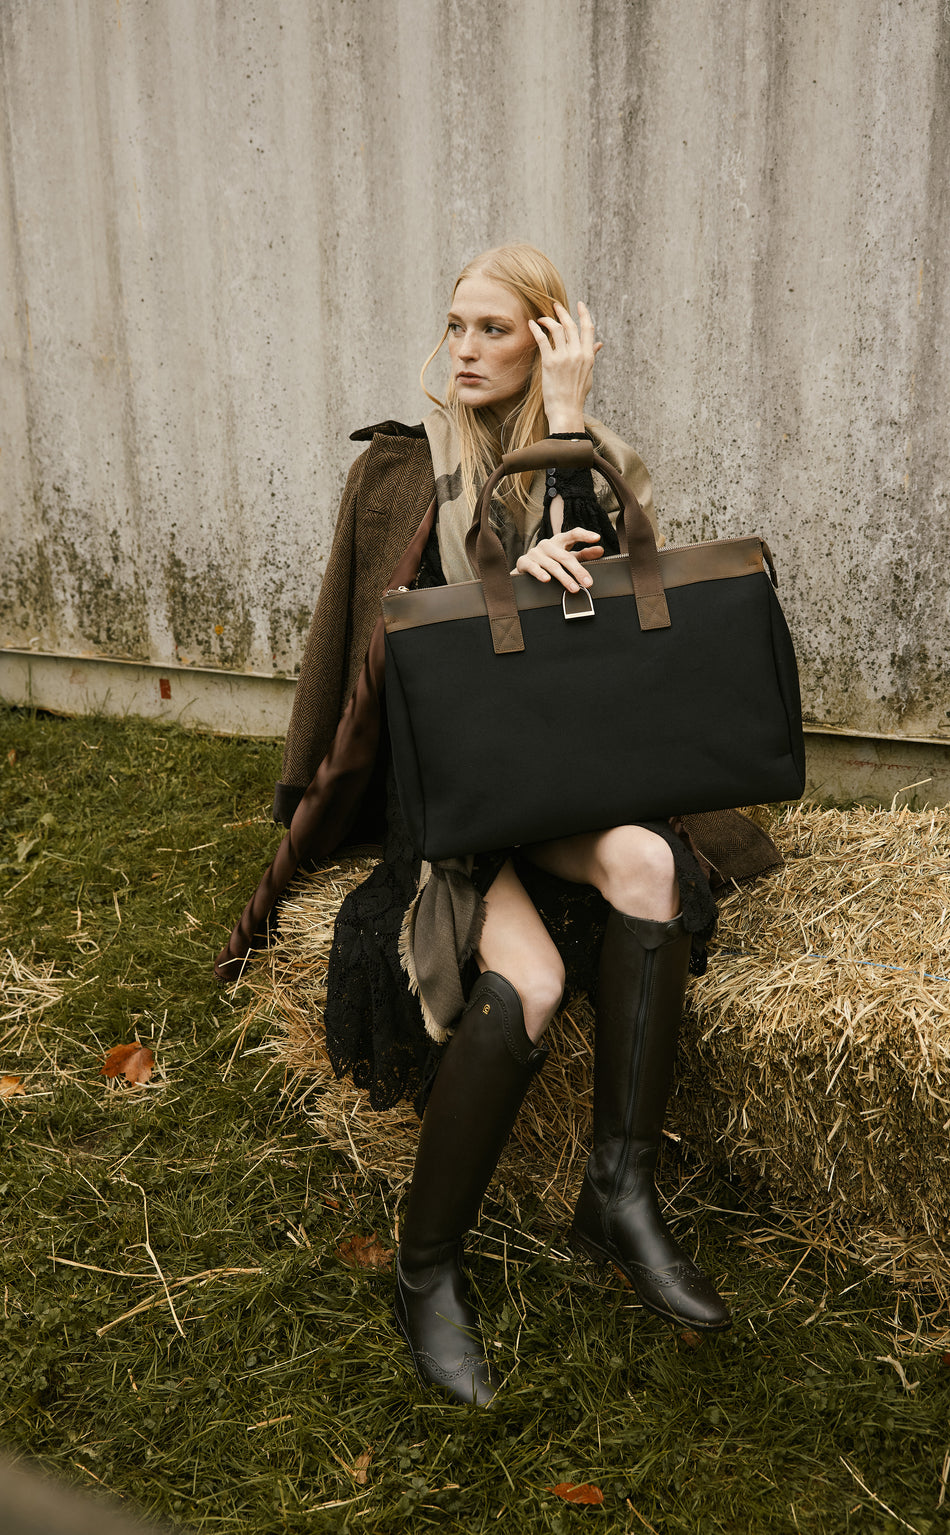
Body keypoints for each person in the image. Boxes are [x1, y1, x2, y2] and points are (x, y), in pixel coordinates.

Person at [215, 244, 781, 1406]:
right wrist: (501, 586)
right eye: (457, 326)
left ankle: (618, 1187)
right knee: (520, 978)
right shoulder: (398, 472)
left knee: (645, 862)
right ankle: (427, 1268)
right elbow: (400, 664)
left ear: (548, 341)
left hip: (565, 779)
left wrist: (564, 431)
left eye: (496, 330)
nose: (465, 349)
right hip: (459, 801)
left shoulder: (597, 462)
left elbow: (619, 652)